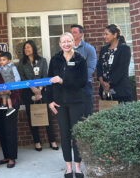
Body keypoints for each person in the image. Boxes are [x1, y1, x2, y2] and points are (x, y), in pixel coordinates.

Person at [47, 32, 87, 178]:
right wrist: (49, 101)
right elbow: (49, 81)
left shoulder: (80, 59)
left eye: (69, 41)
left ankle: (78, 167)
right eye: (63, 42)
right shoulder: (55, 59)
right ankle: (68, 167)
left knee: (76, 134)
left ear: (73, 42)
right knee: (64, 135)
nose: (66, 44)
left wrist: (63, 81)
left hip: (76, 101)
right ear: (59, 44)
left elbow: (82, 82)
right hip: (59, 103)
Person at [17, 40, 59, 151]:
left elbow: (45, 75)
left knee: (47, 117)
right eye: (25, 48)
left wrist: (39, 90)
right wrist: (32, 88)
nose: (26, 49)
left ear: (34, 48)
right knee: (32, 118)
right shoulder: (22, 62)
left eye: (28, 47)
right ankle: (37, 142)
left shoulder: (42, 61)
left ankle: (52, 141)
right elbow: (22, 78)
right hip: (28, 92)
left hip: (42, 91)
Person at [0, 51, 20, 169]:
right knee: (1, 130)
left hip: (12, 103)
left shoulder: (12, 69)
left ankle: (12, 157)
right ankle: (6, 156)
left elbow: (19, 85)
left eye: (1, 58)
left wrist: (10, 91)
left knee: (10, 130)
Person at [96, 24, 132, 103]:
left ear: (115, 34)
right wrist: (102, 83)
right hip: (105, 91)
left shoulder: (124, 49)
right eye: (104, 34)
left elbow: (122, 69)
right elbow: (99, 67)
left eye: (106, 34)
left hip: (121, 91)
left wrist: (109, 84)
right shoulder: (104, 49)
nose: (104, 36)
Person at [70, 24, 97, 117]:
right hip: (70, 87)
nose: (72, 34)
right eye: (71, 32)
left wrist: (79, 80)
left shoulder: (89, 49)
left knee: (87, 113)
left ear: (81, 34)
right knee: (74, 115)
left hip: (84, 86)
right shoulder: (67, 49)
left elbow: (90, 68)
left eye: (74, 32)